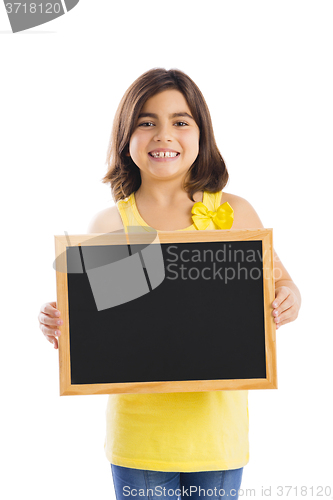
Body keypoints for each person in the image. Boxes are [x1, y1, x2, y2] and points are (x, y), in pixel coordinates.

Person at [38, 68, 301, 500]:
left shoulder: (235, 213)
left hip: (216, 434)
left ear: (201, 135)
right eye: (147, 122)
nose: (164, 135)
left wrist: (289, 298)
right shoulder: (109, 225)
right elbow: (94, 319)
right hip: (140, 436)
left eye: (180, 121)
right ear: (127, 137)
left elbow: (282, 283)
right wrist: (60, 323)